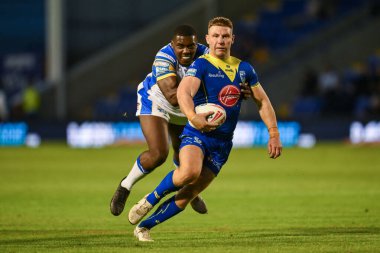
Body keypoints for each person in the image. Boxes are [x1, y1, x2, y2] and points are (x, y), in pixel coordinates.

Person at [128, 17, 282, 242]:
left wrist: (274, 133)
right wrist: (192, 117)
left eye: (225, 36)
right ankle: (151, 199)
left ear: (232, 39)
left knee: (190, 192)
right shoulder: (200, 64)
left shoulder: (244, 69)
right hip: (198, 133)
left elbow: (263, 102)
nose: (221, 40)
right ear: (208, 39)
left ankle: (144, 227)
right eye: (216, 36)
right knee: (189, 172)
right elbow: (183, 93)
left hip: (223, 143)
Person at [110, 25, 252, 216]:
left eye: (190, 46)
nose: (186, 51)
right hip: (157, 101)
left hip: (189, 106)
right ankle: (125, 186)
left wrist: (238, 90)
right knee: (159, 153)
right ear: (172, 45)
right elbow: (172, 96)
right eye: (180, 46)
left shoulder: (206, 54)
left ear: (197, 44)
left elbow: (228, 77)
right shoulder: (163, 58)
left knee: (183, 154)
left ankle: (189, 192)